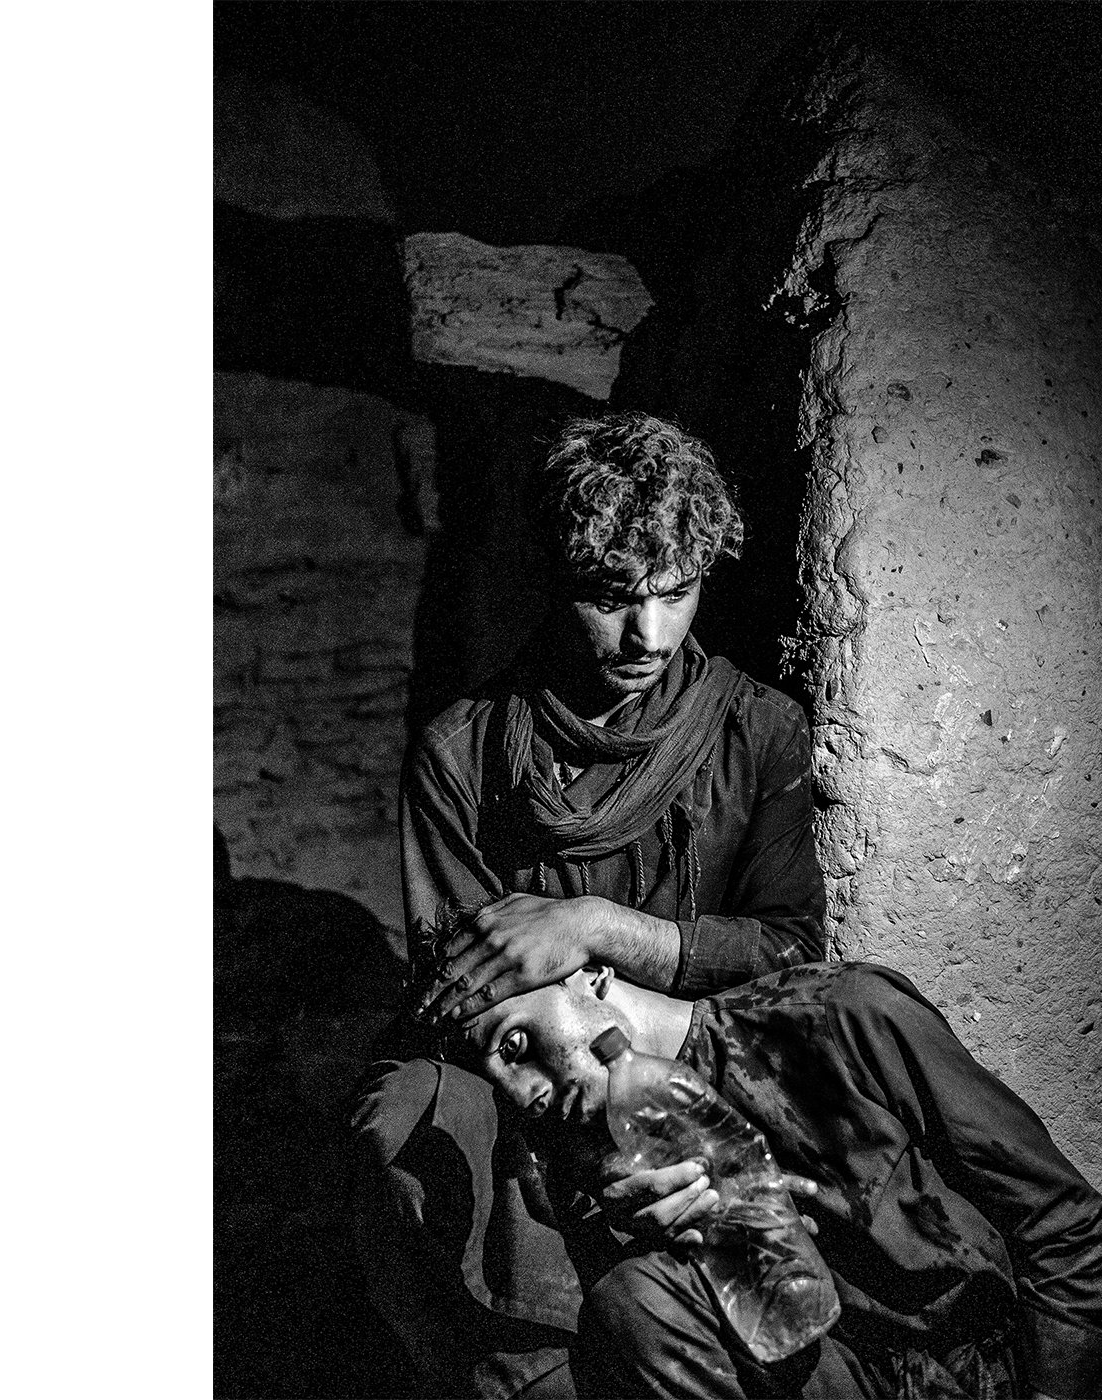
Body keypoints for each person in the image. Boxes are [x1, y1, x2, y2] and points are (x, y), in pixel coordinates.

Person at [350, 412, 830, 1398]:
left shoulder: (759, 728)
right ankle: (526, 1368)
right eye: (611, 597)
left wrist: (598, 927)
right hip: (528, 1066)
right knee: (407, 1122)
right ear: (555, 582)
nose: (646, 634)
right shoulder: (464, 750)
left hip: (701, 1042)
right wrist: (585, 1090)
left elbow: (788, 945)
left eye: (675, 594)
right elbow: (461, 992)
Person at [430, 958, 1102, 1399]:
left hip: (1033, 1368)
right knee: (636, 1300)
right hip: (861, 1375)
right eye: (493, 1078)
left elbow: (1065, 1221)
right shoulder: (602, 1157)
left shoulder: (844, 1017)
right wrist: (680, 1247)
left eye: (515, 1044)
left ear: (590, 978)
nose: (522, 1092)